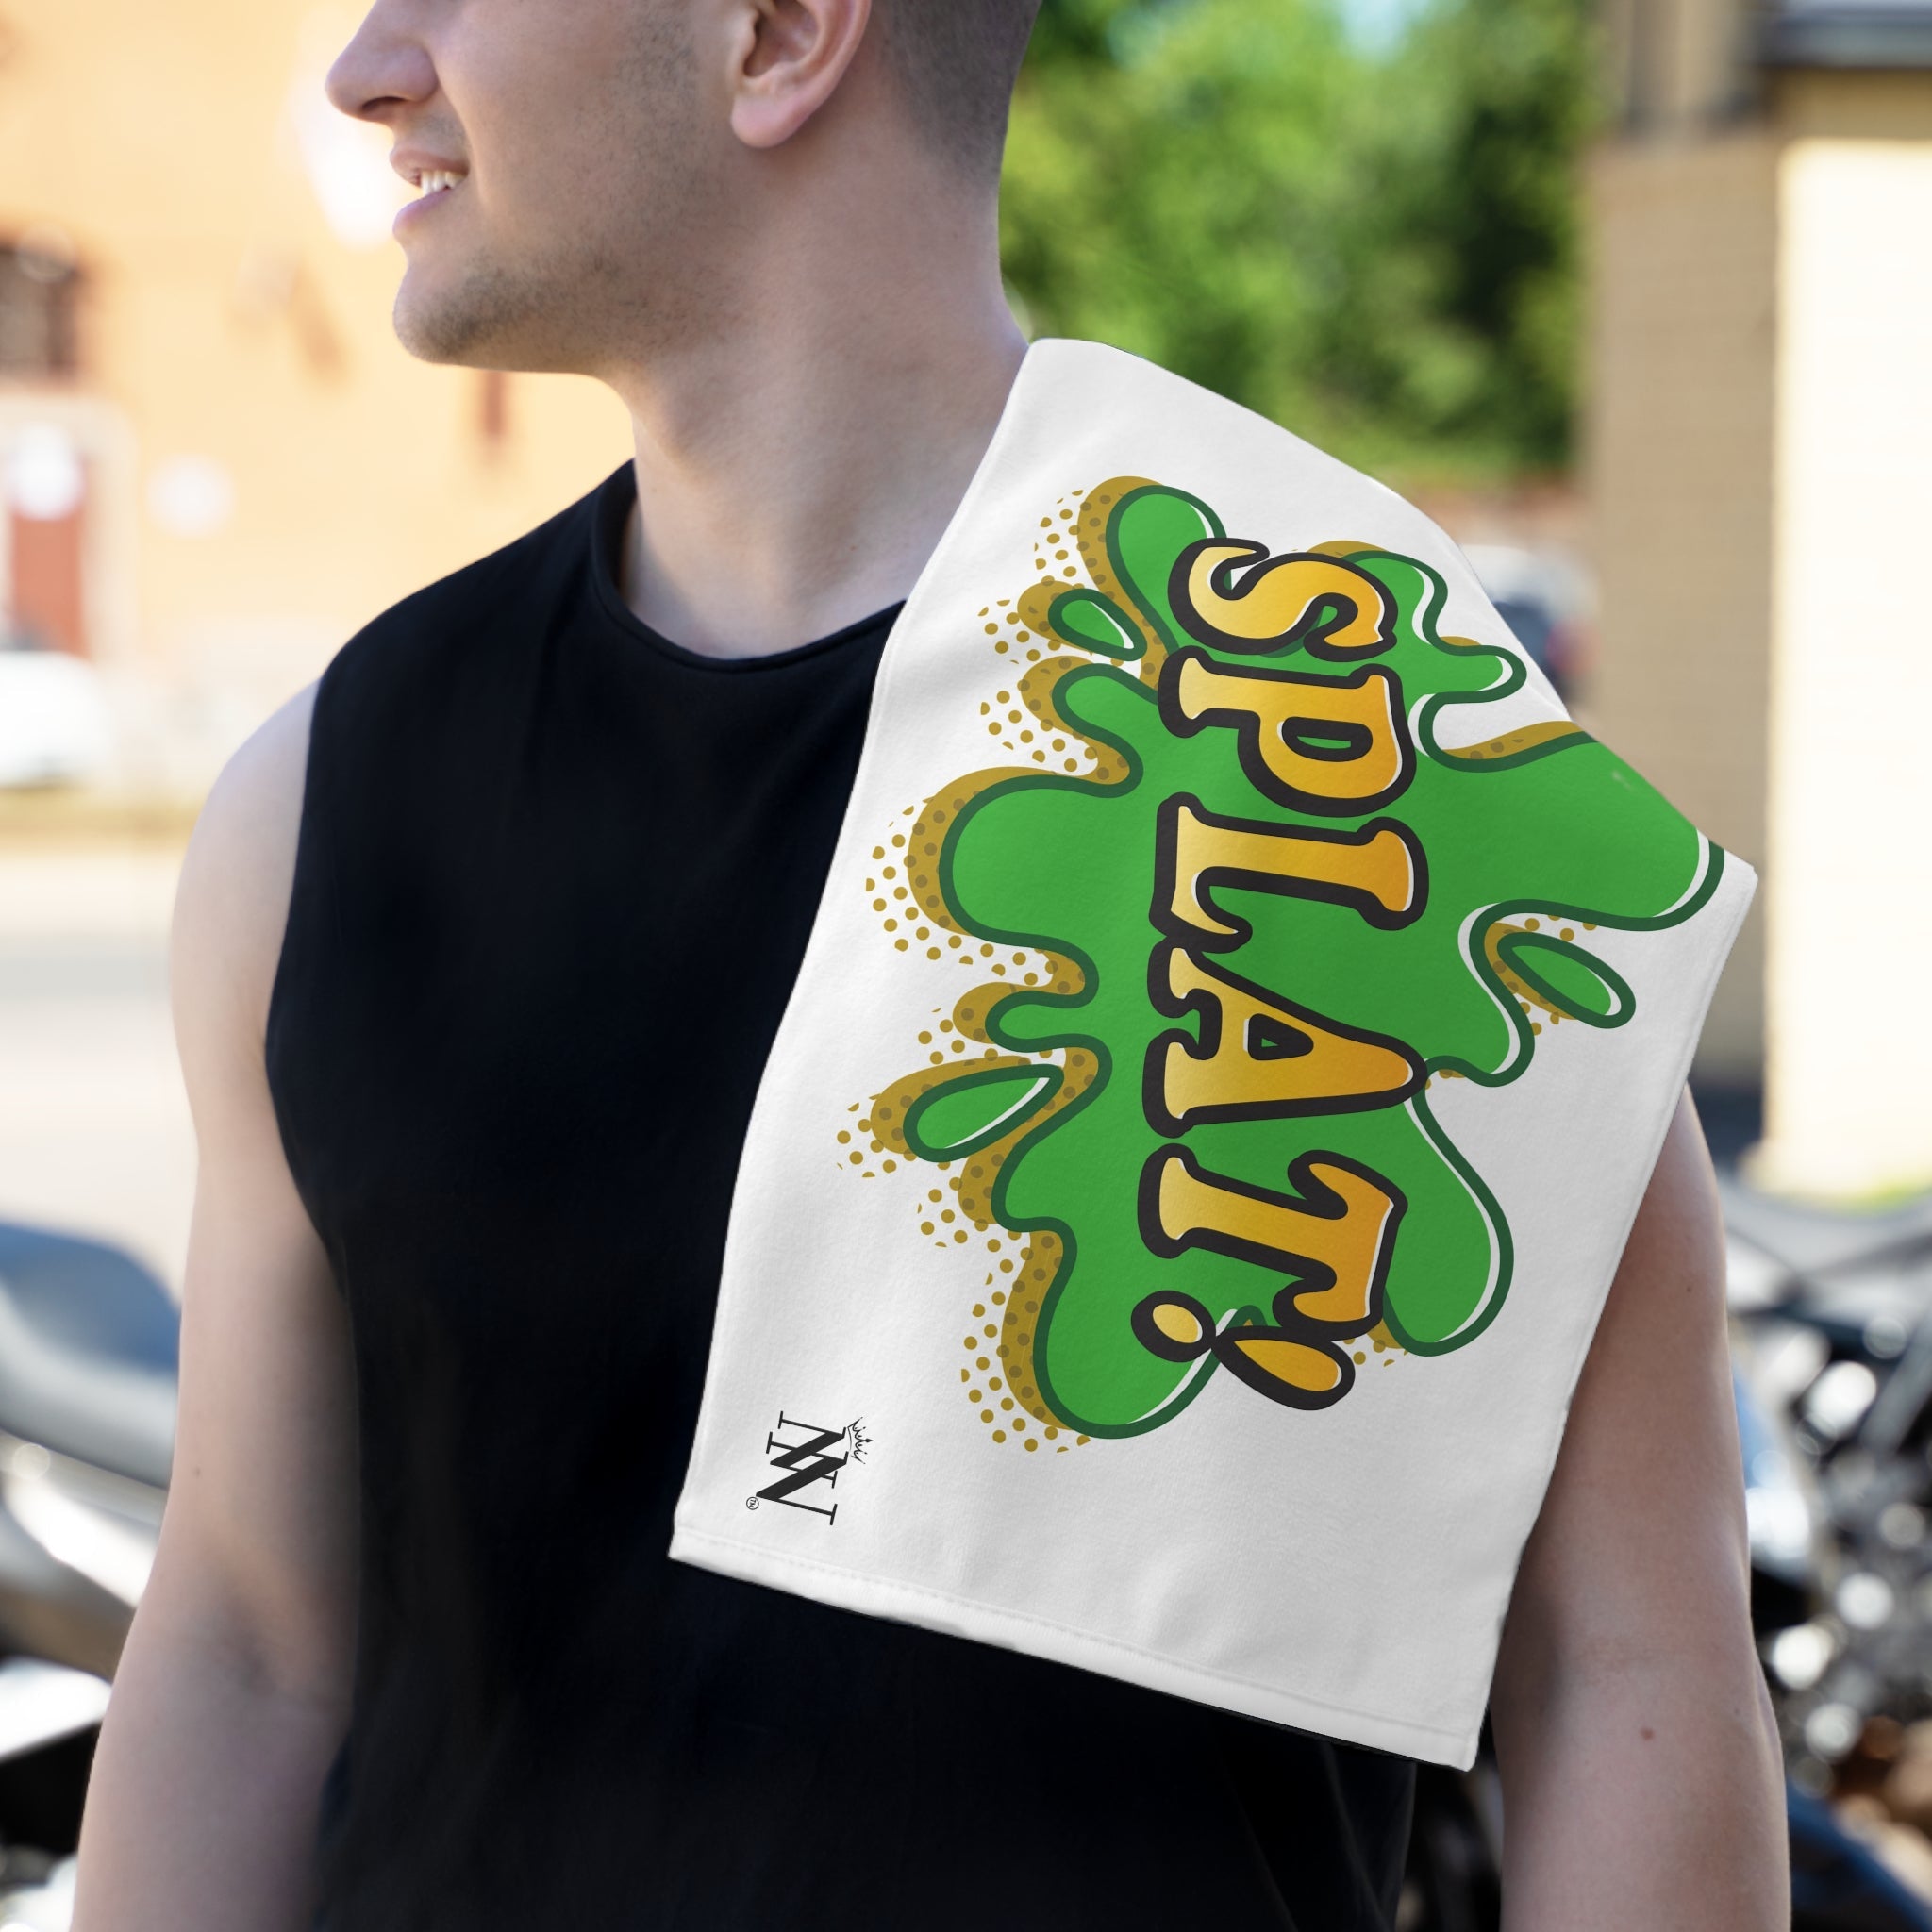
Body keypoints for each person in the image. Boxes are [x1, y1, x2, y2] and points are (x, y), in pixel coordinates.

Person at [71, 1, 1789, 1926]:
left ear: (779, 34)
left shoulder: (1361, 745)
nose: (371, 65)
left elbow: (1621, 1674)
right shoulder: (328, 799)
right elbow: (245, 1651)